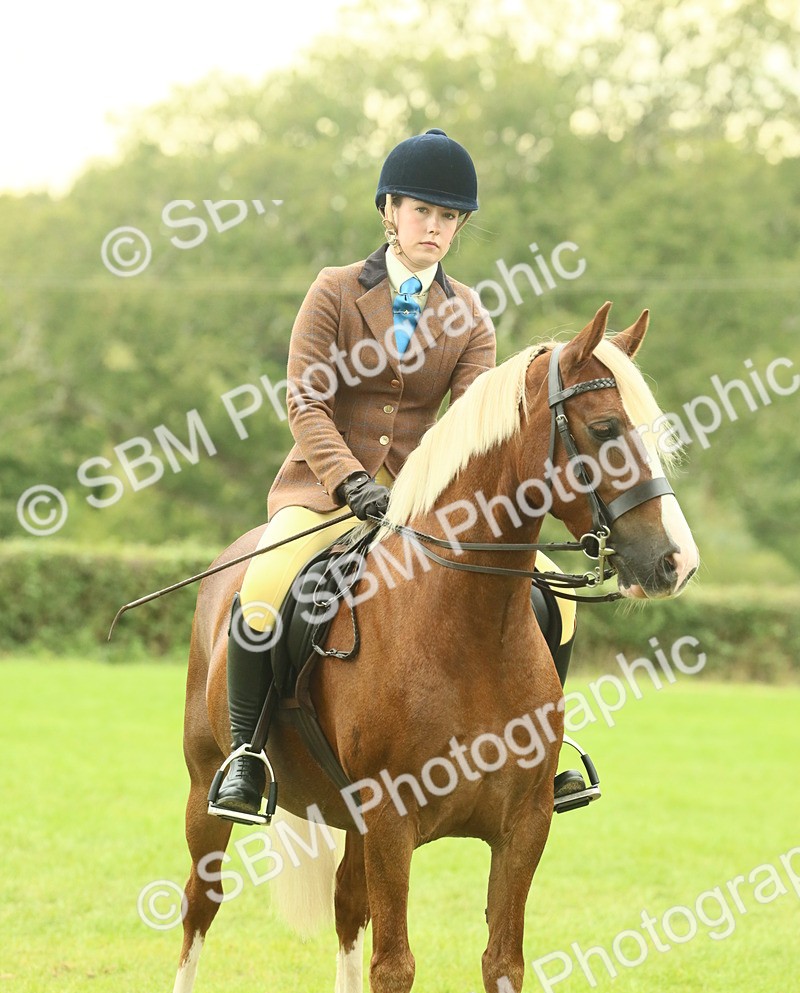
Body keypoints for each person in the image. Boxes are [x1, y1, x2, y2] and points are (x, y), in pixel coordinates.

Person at [208, 128, 593, 826]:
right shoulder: (333, 292)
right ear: (391, 210)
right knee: (262, 590)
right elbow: (306, 399)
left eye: (450, 218)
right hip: (324, 493)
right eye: (424, 212)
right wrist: (352, 483)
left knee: (555, 599)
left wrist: (432, 497)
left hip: (421, 507)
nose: (437, 228)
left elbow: (477, 425)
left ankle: (547, 752)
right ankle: (247, 755)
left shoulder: (470, 313)